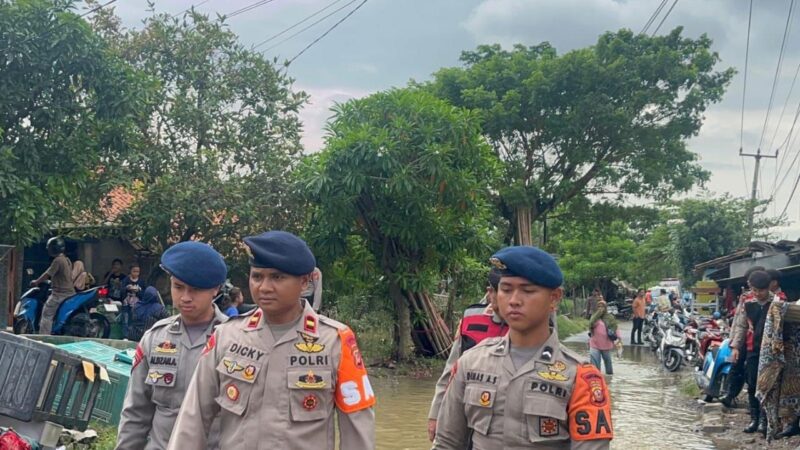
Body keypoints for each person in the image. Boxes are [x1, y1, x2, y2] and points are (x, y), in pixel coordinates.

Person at [167, 231, 375, 450]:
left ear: (304, 282)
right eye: (257, 277)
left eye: (277, 277)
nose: (264, 287)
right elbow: (193, 419)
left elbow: (357, 429)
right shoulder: (226, 336)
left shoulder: (336, 342)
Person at [433, 246, 613, 449]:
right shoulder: (470, 362)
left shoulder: (581, 377)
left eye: (527, 291)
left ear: (554, 298)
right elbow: (446, 443)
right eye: (506, 289)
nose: (514, 301)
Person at [116, 241, 229, 450]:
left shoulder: (233, 340)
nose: (185, 297)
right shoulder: (155, 338)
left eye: (195, 290)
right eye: (178, 287)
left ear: (216, 289)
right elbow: (136, 413)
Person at [427, 269, 508, 442]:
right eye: (506, 291)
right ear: (490, 293)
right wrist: (435, 414)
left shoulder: (533, 325)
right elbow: (450, 371)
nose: (513, 300)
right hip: (468, 412)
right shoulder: (471, 317)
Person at [729, 270, 776, 435]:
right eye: (754, 290)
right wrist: (736, 347)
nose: (757, 293)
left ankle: (765, 420)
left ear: (768, 288)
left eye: (760, 290)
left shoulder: (777, 302)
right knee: (752, 383)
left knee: (768, 385)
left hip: (771, 350)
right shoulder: (747, 302)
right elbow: (741, 326)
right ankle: (754, 419)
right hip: (752, 348)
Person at [30, 237, 76, 335]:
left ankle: (44, 336)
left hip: (60, 294)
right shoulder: (66, 260)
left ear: (53, 248)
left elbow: (48, 274)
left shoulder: (58, 260)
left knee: (46, 314)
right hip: (70, 293)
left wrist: (36, 282)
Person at [589, 300, 618, 375]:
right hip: (594, 344)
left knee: (608, 364)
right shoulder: (594, 317)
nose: (600, 308)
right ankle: (597, 377)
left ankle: (609, 378)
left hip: (606, 344)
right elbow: (591, 324)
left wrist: (619, 341)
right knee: (595, 364)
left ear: (606, 308)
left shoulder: (610, 317)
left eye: (602, 306)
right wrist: (597, 314)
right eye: (599, 306)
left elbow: (615, 328)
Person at [121, 264, 147, 339]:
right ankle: (125, 336)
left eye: (137, 272)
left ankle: (133, 336)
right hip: (126, 303)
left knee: (134, 320)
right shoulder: (126, 280)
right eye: (134, 271)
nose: (136, 273)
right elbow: (121, 291)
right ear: (130, 271)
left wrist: (138, 291)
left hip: (137, 305)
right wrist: (127, 288)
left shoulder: (141, 281)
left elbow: (144, 294)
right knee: (125, 319)